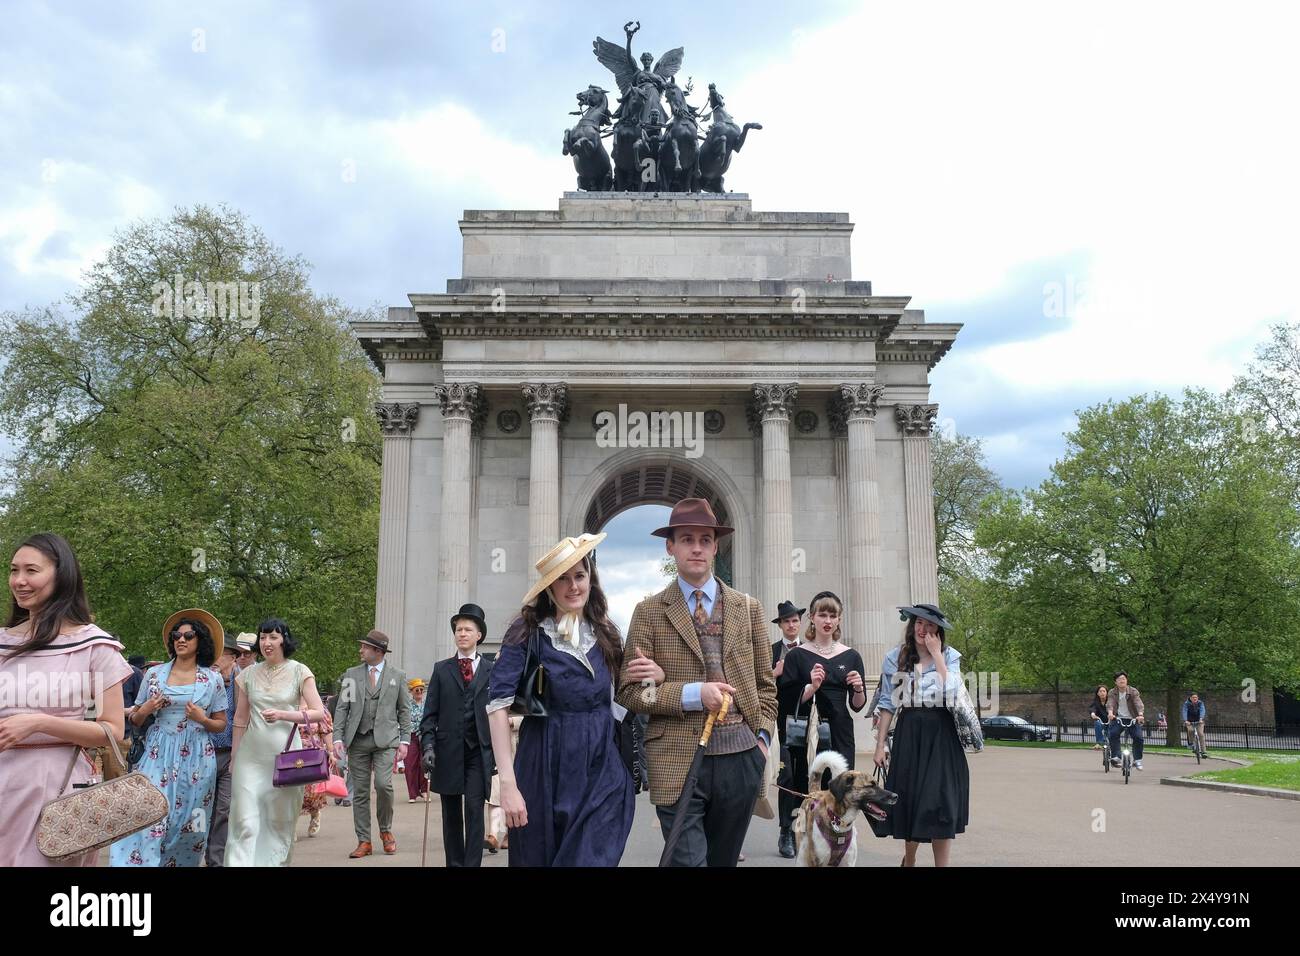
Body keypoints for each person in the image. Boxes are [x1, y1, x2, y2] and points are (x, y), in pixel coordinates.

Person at [616, 498, 778, 868]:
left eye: (705, 539)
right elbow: (630, 691)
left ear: (716, 546)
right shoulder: (649, 612)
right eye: (686, 539)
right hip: (676, 759)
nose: (697, 548)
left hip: (741, 758)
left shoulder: (748, 608)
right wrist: (691, 694)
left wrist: (763, 743)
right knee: (688, 861)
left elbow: (767, 688)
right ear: (670, 546)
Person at [486, 537, 634, 867]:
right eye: (562, 579)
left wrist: (655, 676)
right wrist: (508, 785)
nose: (573, 586)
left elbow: (627, 698)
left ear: (591, 580)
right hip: (544, 762)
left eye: (579, 576)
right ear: (549, 586)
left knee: (593, 857)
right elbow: (497, 706)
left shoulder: (607, 633)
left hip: (600, 765)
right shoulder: (526, 632)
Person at [0, 533, 132, 867]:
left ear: (62, 576)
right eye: (14, 571)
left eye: (32, 570)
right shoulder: (2, 643)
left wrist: (38, 723)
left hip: (58, 788)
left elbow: (113, 730)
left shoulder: (94, 645)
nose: (19, 581)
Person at [110, 609, 228, 867]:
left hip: (197, 756)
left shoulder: (213, 679)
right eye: (177, 634)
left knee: (189, 823)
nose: (181, 639)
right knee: (149, 815)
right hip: (157, 752)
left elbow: (221, 724)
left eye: (188, 635)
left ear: (201, 641)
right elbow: (136, 720)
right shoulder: (153, 675)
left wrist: (203, 719)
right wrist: (147, 708)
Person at [873, 603, 969, 867]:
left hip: (942, 732)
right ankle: (911, 859)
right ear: (911, 625)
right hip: (910, 732)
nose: (922, 629)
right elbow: (888, 703)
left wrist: (937, 655)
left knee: (941, 802)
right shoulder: (896, 657)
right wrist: (880, 745)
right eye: (918, 623)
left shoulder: (950, 656)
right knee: (911, 799)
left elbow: (952, 694)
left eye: (928, 625)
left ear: (937, 630)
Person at [224, 618, 326, 867]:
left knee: (279, 824)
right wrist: (235, 757)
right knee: (244, 822)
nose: (267, 642)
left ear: (284, 640)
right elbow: (240, 718)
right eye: (263, 637)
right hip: (250, 757)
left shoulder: (300, 671)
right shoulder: (247, 675)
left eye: (273, 637)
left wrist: (284, 714)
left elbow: (318, 712)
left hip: (288, 758)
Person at [420, 605, 495, 867]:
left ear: (479, 636)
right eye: (458, 629)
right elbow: (429, 715)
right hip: (447, 751)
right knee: (451, 814)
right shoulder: (441, 669)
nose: (462, 633)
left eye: (468, 629)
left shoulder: (491, 670)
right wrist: (428, 746)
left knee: (474, 810)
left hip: (478, 751)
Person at [332, 630, 412, 858]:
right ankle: (364, 840)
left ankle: (386, 831)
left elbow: (404, 710)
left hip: (386, 741)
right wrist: (338, 737)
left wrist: (404, 740)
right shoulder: (350, 675)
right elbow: (342, 708)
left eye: (365, 647)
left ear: (378, 651)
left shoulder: (398, 675)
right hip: (357, 740)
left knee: (384, 785)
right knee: (359, 793)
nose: (360, 650)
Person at [781, 591, 867, 791]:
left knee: (841, 788)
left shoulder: (851, 656)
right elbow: (786, 701)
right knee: (807, 787)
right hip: (806, 730)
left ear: (839, 619)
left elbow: (857, 705)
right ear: (812, 617)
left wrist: (858, 688)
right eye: (822, 615)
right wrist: (812, 687)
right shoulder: (797, 655)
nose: (828, 621)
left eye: (832, 616)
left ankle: (838, 823)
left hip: (840, 729)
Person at [770, 599, 804, 859]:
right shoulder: (771, 651)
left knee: (805, 777)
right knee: (787, 777)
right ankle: (786, 832)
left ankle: (804, 828)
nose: (791, 625)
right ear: (780, 625)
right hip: (780, 724)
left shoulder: (811, 650)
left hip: (808, 723)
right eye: (786, 621)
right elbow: (759, 684)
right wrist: (775, 673)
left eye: (795, 620)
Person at [205, 632, 241, 866]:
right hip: (203, 753)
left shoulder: (242, 683)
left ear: (233, 658)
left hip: (230, 755)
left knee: (223, 810)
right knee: (198, 808)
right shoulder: (205, 680)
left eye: (221, 654)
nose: (215, 658)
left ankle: (216, 861)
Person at [1106, 671, 1145, 770]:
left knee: (1138, 737)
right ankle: (1116, 756)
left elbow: (1138, 703)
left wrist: (1140, 715)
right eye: (1119, 679)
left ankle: (1137, 760)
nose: (1122, 681)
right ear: (1115, 682)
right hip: (1118, 718)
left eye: (1123, 678)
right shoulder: (1112, 692)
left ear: (1126, 680)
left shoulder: (1133, 691)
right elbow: (1110, 703)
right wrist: (1110, 713)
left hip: (1133, 718)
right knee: (1113, 734)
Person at [403, 678, 429, 803]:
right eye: (416, 689)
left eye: (421, 689)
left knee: (424, 764)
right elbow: (405, 721)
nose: (419, 691)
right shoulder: (407, 705)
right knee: (410, 764)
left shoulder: (428, 703)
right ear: (411, 691)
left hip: (425, 736)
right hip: (411, 736)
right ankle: (412, 794)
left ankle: (424, 791)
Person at [1089, 685, 1110, 750]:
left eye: (1104, 691)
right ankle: (1100, 742)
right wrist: (1093, 714)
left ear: (1107, 693)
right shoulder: (1096, 702)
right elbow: (1092, 708)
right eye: (1100, 691)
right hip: (1101, 721)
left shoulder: (1111, 701)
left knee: (1111, 736)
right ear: (1097, 693)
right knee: (1097, 722)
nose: (1102, 693)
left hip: (1110, 721)